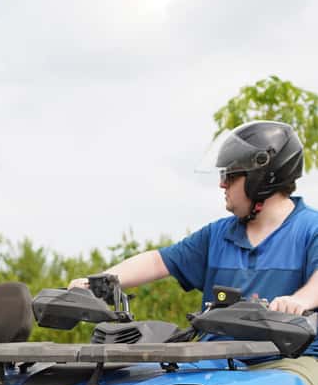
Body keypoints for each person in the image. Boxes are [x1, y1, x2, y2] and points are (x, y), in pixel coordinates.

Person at [69, 121, 318, 359]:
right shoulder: (217, 235)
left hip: (288, 362)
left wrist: (299, 301)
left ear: (262, 179)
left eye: (230, 175)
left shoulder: (310, 228)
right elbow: (158, 261)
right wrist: (97, 283)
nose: (222, 184)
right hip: (217, 364)